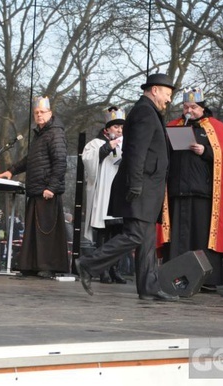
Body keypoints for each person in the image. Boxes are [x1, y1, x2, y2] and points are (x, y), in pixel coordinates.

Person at [76, 73, 179, 301]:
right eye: (167, 94)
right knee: (135, 235)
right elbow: (136, 151)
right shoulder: (144, 112)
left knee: (147, 239)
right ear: (155, 90)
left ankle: (149, 286)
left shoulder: (149, 112)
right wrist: (135, 184)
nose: (169, 99)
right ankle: (88, 263)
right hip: (141, 187)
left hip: (148, 187)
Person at [161, 88, 223, 290]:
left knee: (203, 237)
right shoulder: (174, 126)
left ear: (203, 107)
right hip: (177, 191)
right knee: (179, 239)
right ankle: (177, 277)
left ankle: (207, 280)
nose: (189, 110)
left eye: (194, 107)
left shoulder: (216, 128)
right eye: (186, 106)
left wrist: (205, 151)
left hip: (204, 193)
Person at [0, 96, 68, 278]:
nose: (39, 115)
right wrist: (12, 171)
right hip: (37, 188)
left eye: (42, 112)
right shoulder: (41, 134)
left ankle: (47, 265)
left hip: (46, 190)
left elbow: (60, 162)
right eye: (36, 113)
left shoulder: (55, 133)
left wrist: (51, 187)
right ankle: (31, 265)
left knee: (46, 232)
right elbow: (31, 159)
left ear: (50, 113)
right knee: (34, 231)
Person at [82, 106, 127, 284]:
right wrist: (108, 147)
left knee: (117, 235)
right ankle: (102, 270)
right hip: (103, 195)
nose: (119, 130)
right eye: (116, 127)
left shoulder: (126, 144)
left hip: (119, 194)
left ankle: (115, 269)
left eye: (122, 128)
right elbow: (89, 161)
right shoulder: (95, 144)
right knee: (104, 234)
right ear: (107, 129)